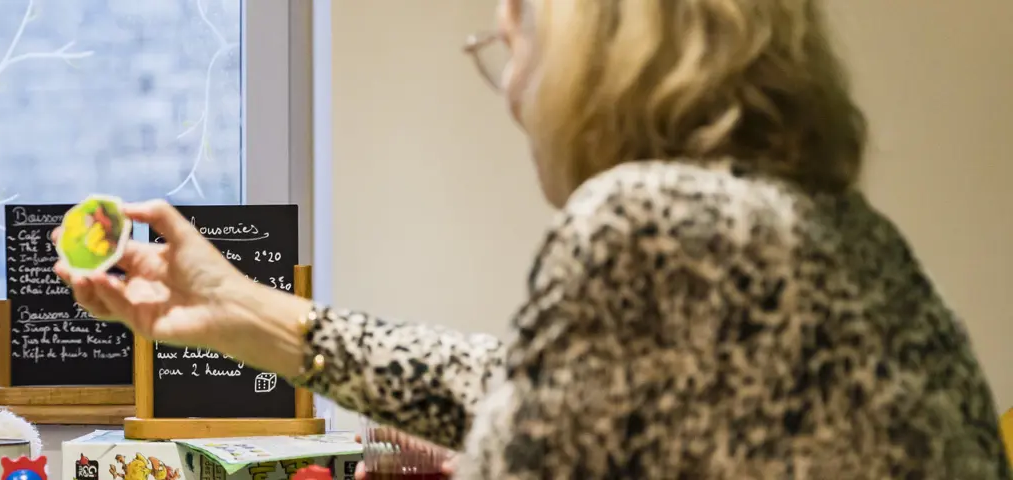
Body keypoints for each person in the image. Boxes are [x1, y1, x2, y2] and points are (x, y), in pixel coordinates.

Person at [56, 0, 1011, 478]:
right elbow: (519, 380)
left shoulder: (643, 220)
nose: (513, 96)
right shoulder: (843, 237)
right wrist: (234, 306)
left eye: (510, 47)